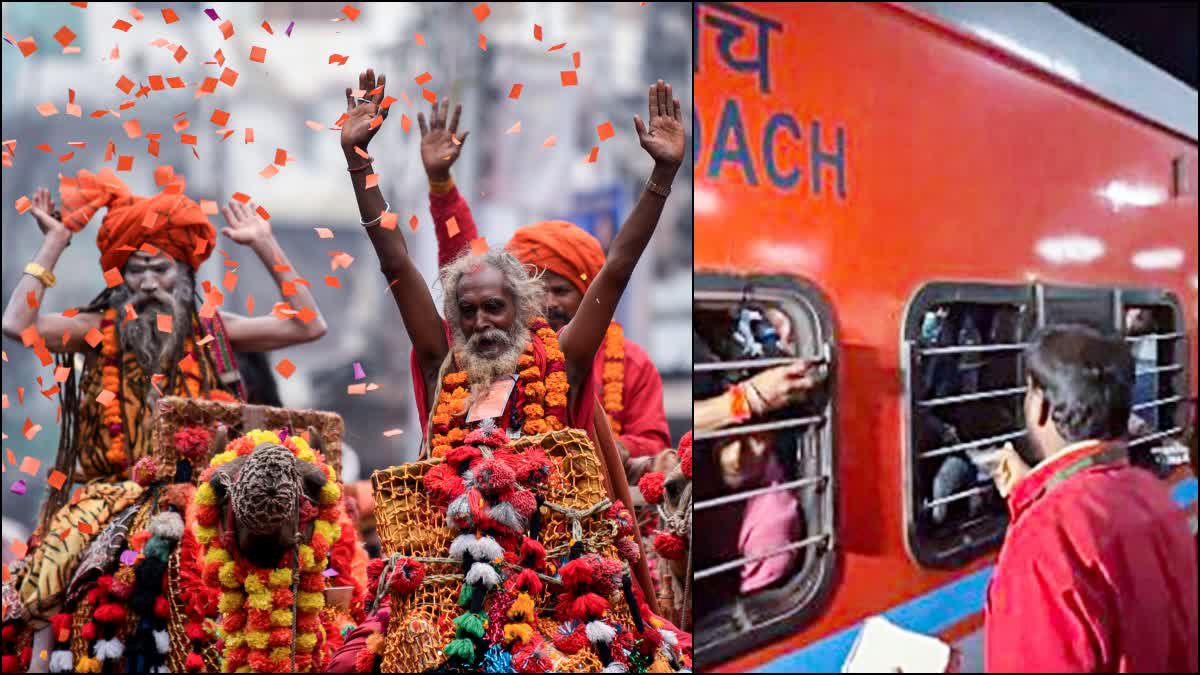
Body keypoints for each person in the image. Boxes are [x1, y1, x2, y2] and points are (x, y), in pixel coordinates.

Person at [330, 68, 684, 672]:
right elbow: (395, 260)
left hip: (559, 596)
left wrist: (662, 176)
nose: (481, 321)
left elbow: (618, 267)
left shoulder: (563, 364)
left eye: (495, 307)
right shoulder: (443, 365)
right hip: (443, 597)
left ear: (522, 309)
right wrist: (358, 159)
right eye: (466, 311)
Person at [0, 170, 327, 622]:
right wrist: (55, 240)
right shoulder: (96, 331)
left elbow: (310, 325)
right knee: (43, 594)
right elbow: (18, 325)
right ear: (121, 277)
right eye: (137, 270)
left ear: (185, 273)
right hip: (109, 497)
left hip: (206, 497)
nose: (150, 284)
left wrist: (264, 245)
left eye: (161, 269)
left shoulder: (211, 331)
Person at [411, 96, 674, 464]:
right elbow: (465, 268)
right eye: (537, 290)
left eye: (562, 290)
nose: (548, 302)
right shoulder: (492, 355)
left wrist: (602, 450)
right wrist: (441, 186)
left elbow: (617, 268)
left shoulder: (596, 359)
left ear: (588, 294)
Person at [983, 324, 1198, 673]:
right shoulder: (1153, 495)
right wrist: (1033, 492)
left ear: (1041, 406)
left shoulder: (1040, 542)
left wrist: (1036, 506)